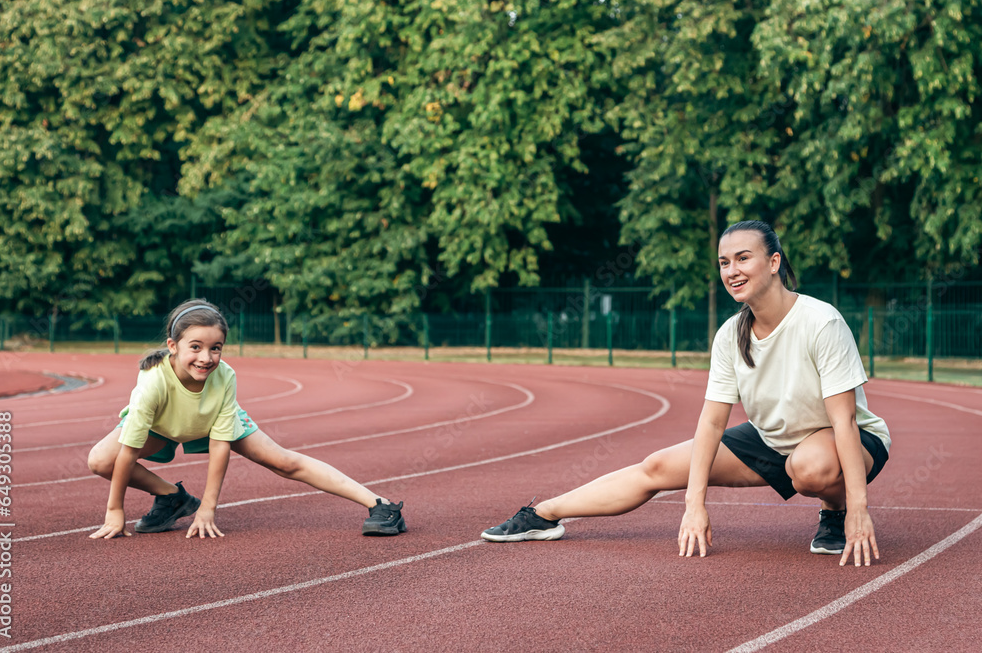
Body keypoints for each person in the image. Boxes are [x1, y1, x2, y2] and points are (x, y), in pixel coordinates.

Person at [481, 220, 890, 567]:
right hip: (773, 438)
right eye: (724, 262)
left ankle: (834, 514)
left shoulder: (820, 322)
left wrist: (859, 509)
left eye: (743, 258)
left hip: (843, 441)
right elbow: (713, 422)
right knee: (658, 466)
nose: (732, 270)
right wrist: (695, 503)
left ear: (774, 263)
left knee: (809, 466)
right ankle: (543, 514)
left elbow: (844, 420)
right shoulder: (731, 334)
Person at [88, 299, 406, 540]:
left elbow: (220, 445)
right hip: (162, 424)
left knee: (284, 462)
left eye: (216, 348)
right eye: (195, 347)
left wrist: (209, 508)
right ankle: (172, 498)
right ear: (173, 346)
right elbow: (129, 449)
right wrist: (115, 510)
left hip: (211, 421)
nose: (206, 358)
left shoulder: (224, 376)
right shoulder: (153, 380)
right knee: (102, 460)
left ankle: (381, 505)